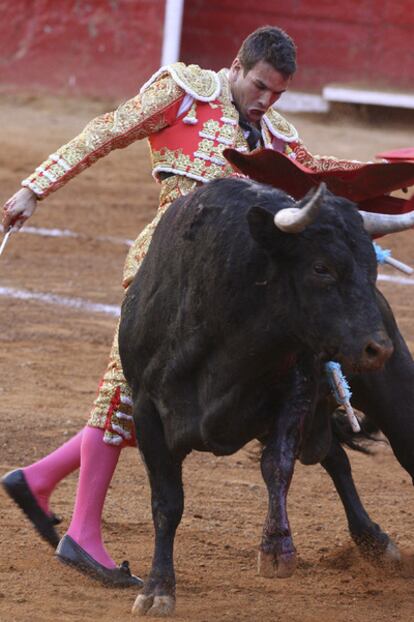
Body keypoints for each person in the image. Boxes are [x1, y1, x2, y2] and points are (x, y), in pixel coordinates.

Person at [1, 25, 364, 587]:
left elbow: (316, 180)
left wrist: (393, 174)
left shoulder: (275, 136)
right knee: (126, 390)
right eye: (261, 87)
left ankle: (41, 481)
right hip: (163, 272)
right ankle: (81, 531)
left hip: (222, 298)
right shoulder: (184, 93)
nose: (266, 101)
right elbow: (105, 132)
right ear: (237, 66)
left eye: (278, 94)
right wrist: (34, 187)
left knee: (144, 403)